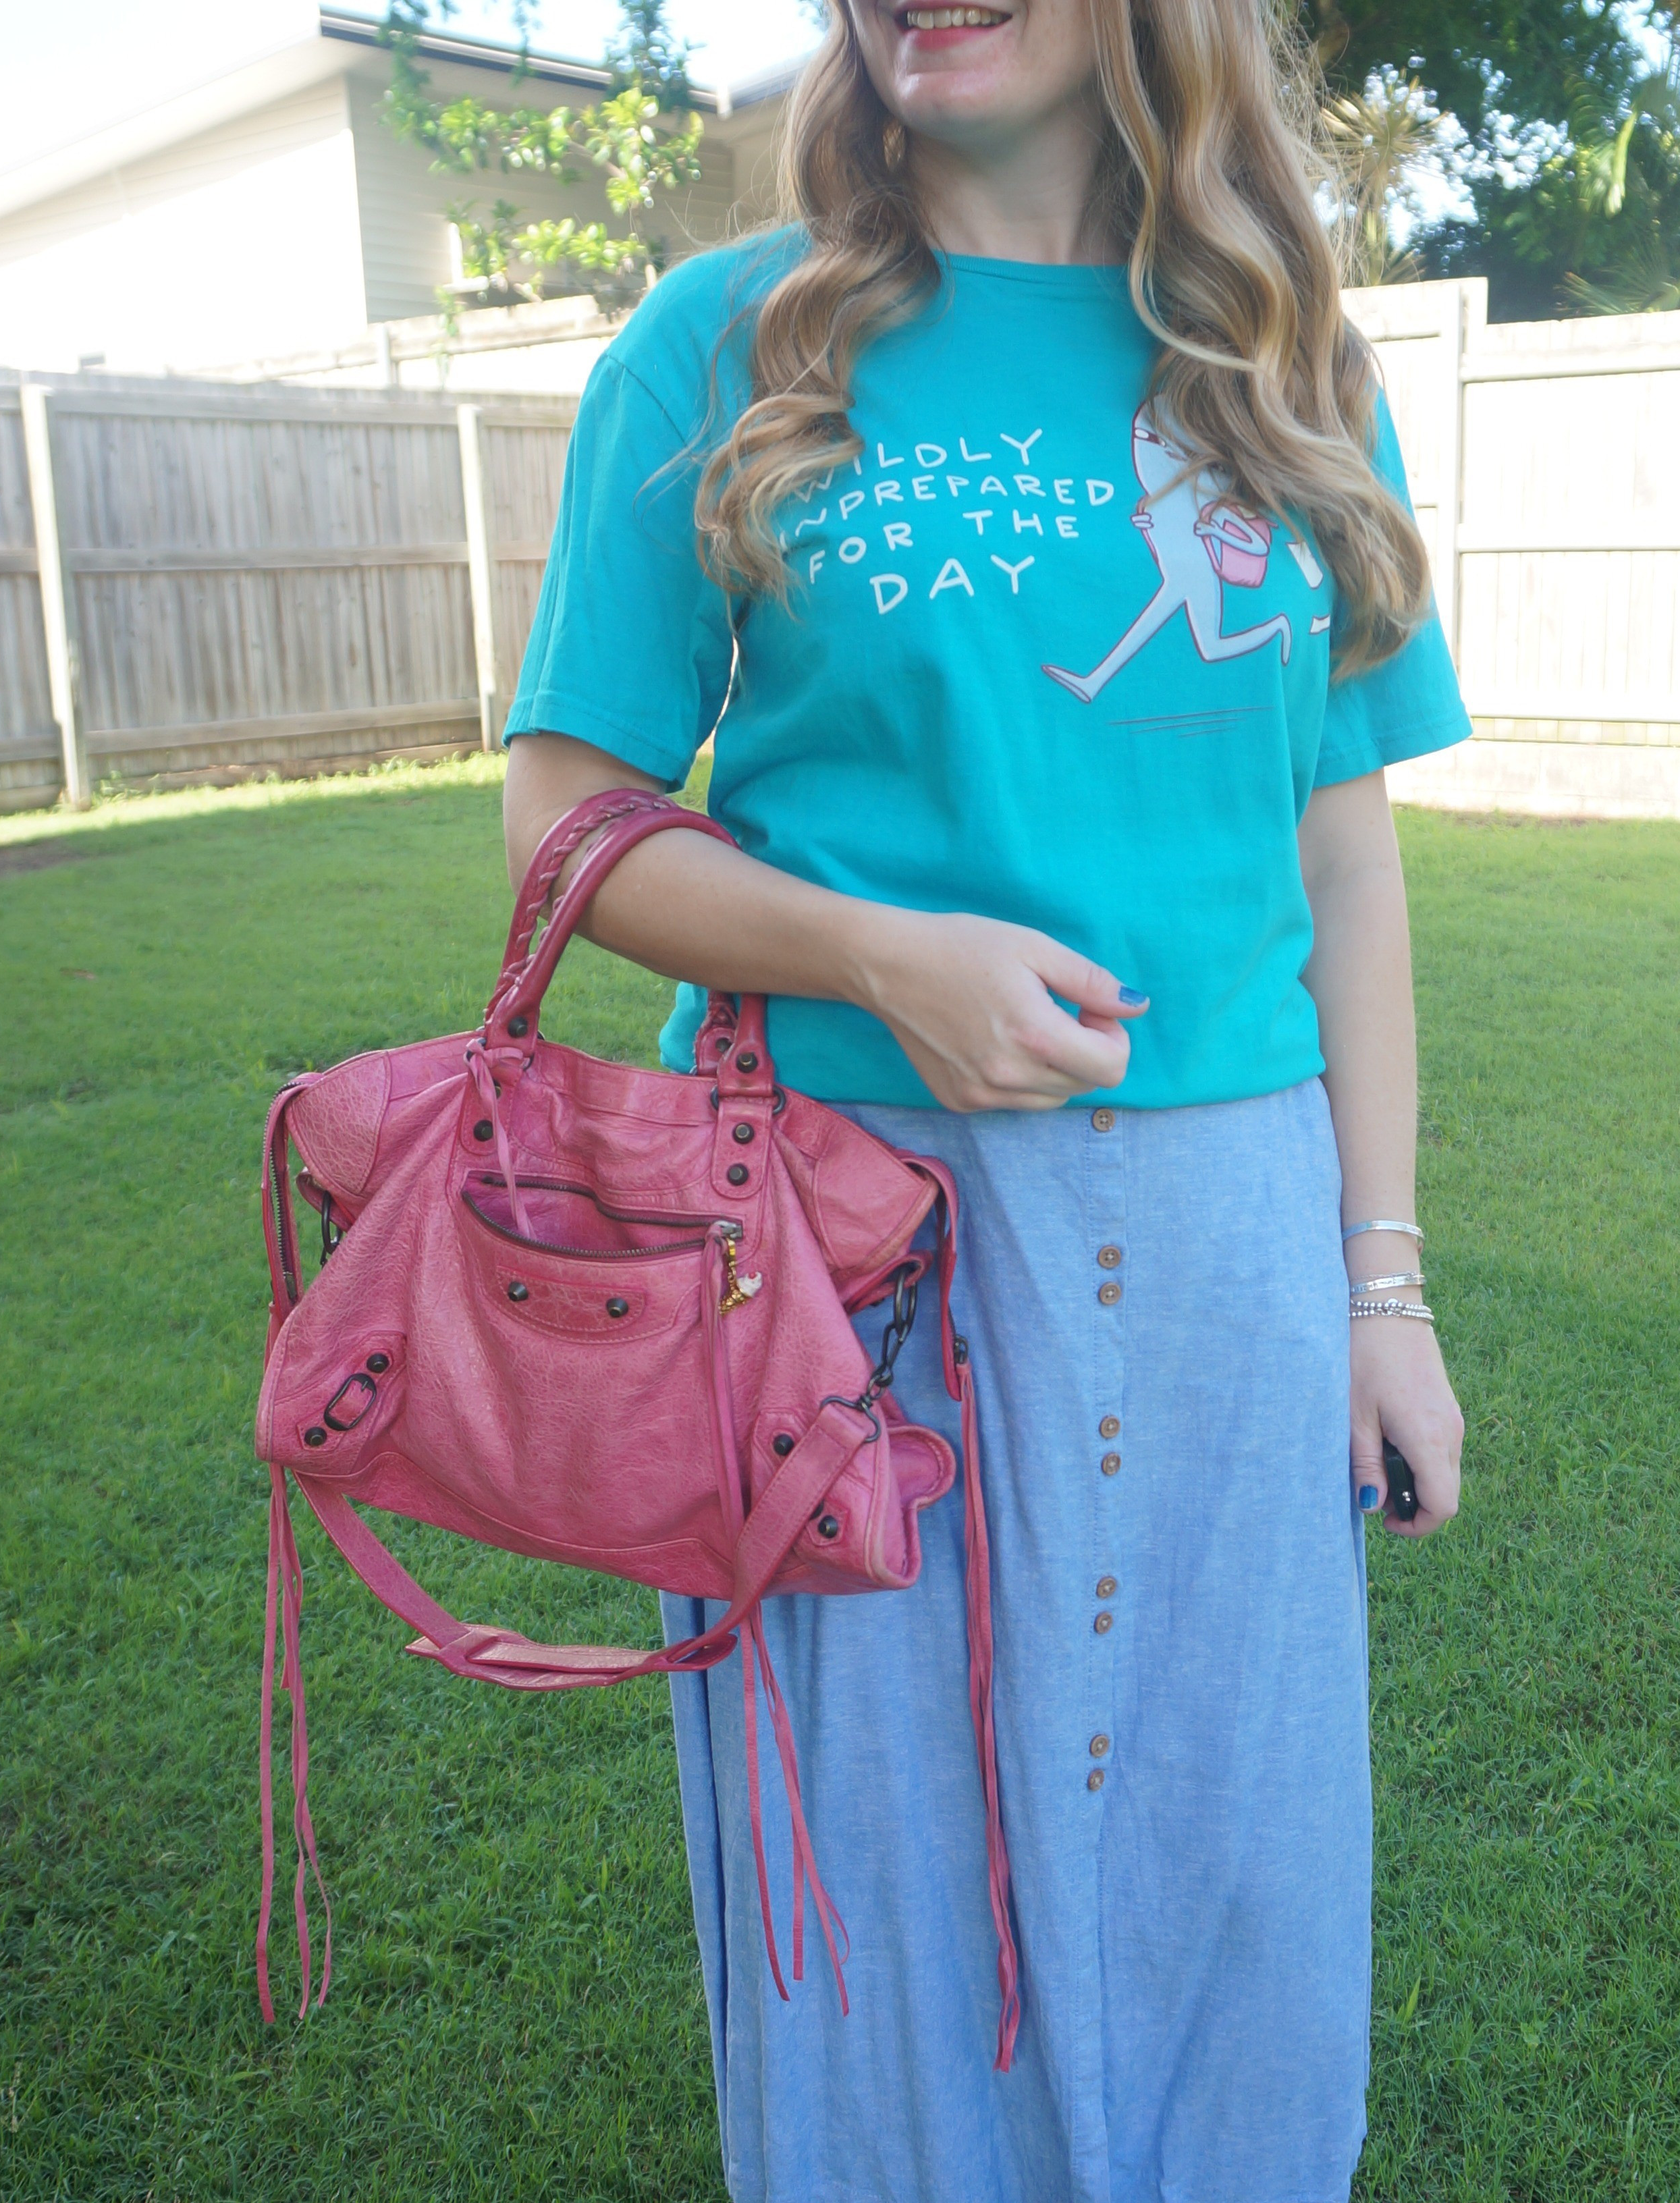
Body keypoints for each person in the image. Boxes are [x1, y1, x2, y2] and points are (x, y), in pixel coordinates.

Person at [500, 1, 1469, 2194]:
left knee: (1229, 1830)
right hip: (848, 1258)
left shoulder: (1285, 358)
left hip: (1231, 1248)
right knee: (884, 1878)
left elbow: (1345, 855)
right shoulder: (722, 341)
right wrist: (874, 955)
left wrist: (1382, 1290)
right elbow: (567, 817)